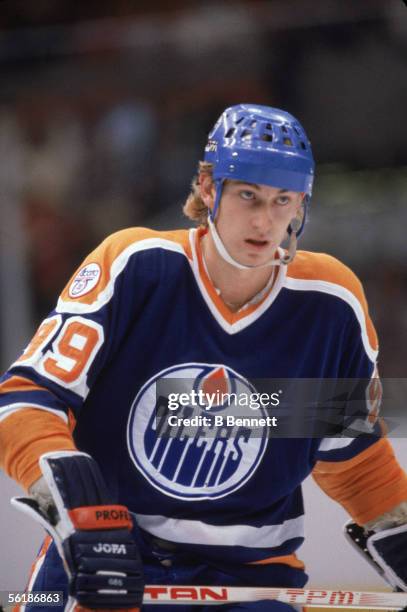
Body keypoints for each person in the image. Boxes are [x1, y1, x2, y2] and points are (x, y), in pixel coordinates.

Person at [1, 104, 407, 612]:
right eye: (248, 196)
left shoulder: (328, 304)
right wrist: (79, 509)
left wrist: (396, 526)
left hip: (252, 578)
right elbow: (25, 401)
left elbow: (353, 462)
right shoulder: (138, 268)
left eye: (283, 200)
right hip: (110, 559)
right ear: (209, 188)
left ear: (302, 202)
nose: (265, 220)